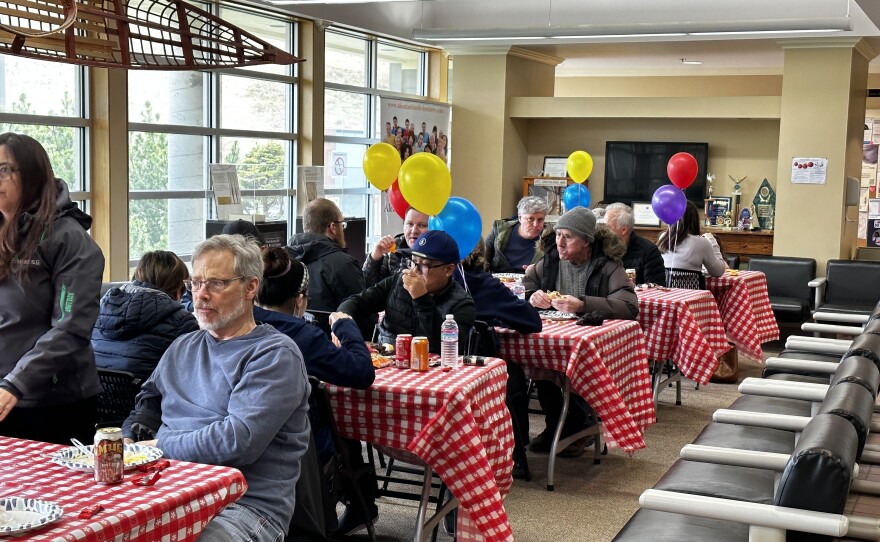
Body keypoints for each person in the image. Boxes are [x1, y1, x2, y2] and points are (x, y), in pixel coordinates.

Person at [122, 234, 310, 542]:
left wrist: (158, 446)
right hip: (164, 490)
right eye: (196, 283)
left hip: (242, 508)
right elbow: (150, 399)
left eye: (216, 284)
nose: (201, 295)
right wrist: (131, 436)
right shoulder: (184, 344)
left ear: (251, 287)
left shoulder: (274, 355)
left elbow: (236, 442)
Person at [0, 132, 104, 444]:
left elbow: (70, 328)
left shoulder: (68, 239)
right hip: (6, 392)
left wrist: (16, 383)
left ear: (32, 175)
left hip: (51, 403)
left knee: (50, 493)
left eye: (4, 169)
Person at [523, 206, 638, 457]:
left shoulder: (607, 265)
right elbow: (527, 284)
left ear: (587, 241)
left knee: (564, 368)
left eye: (567, 236)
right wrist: (534, 296)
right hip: (554, 337)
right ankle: (559, 426)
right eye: (557, 235)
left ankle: (579, 423)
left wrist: (584, 304)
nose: (559, 242)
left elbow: (630, 306)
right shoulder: (552, 258)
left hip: (594, 343)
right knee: (541, 365)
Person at [457, 238, 541, 479]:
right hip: (478, 371)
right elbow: (532, 322)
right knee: (514, 375)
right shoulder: (485, 285)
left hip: (433, 368)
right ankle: (516, 451)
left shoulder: (417, 283)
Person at [339, 229, 475, 355]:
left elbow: (447, 349)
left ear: (448, 270)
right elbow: (358, 301)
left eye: (424, 265)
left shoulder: (462, 304)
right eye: (414, 262)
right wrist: (342, 318)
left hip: (433, 373)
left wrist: (422, 298)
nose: (415, 271)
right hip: (386, 362)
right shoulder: (398, 282)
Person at [92, 250, 198, 381]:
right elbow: (191, 379)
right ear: (178, 289)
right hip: (148, 399)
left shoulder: (101, 308)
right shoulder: (182, 322)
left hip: (98, 397)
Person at [288, 198, 365, 313]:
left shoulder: (283, 259)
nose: (343, 229)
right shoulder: (344, 265)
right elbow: (361, 313)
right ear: (333, 227)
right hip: (335, 330)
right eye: (342, 224)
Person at [657, 201, 726, 288]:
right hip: (693, 296)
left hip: (666, 295)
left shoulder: (663, 237)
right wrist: (712, 242)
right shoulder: (702, 242)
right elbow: (718, 271)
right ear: (695, 220)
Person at [362, 207, 430, 287]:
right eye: (410, 224)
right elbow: (368, 286)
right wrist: (375, 258)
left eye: (422, 225)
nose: (414, 230)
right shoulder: (393, 250)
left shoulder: (438, 256)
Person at [485, 195, 554, 273]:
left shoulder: (550, 237)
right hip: (498, 282)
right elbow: (483, 259)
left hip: (532, 283)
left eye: (540, 220)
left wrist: (538, 271)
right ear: (520, 217)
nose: (535, 224)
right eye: (530, 219)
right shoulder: (500, 230)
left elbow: (555, 268)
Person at [603, 202, 666, 285]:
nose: (604, 231)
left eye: (607, 227)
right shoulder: (601, 247)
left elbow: (655, 288)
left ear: (624, 230)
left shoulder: (649, 252)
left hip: (636, 297)